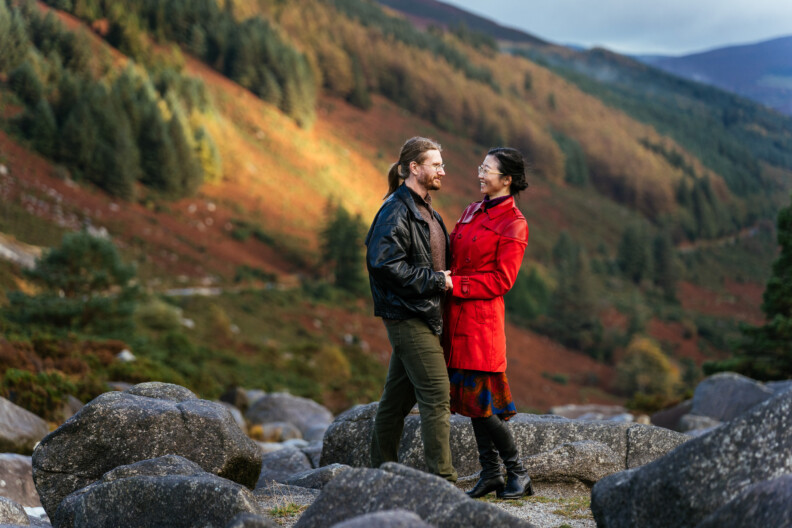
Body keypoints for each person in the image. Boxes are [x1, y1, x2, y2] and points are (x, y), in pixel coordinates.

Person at [365, 136, 458, 482]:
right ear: (414, 168)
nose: (442, 171)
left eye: (441, 165)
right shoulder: (396, 209)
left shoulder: (425, 207)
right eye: (436, 165)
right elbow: (383, 263)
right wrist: (435, 281)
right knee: (436, 393)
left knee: (395, 403)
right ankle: (443, 483)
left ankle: (380, 474)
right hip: (408, 316)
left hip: (424, 314)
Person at [443, 147, 532, 499]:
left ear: (506, 180)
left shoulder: (515, 223)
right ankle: (492, 473)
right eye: (481, 166)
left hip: (481, 327)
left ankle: (518, 473)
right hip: (454, 321)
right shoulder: (470, 211)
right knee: (471, 405)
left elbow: (501, 281)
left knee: (483, 405)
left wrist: (456, 284)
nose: (480, 173)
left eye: (487, 169)